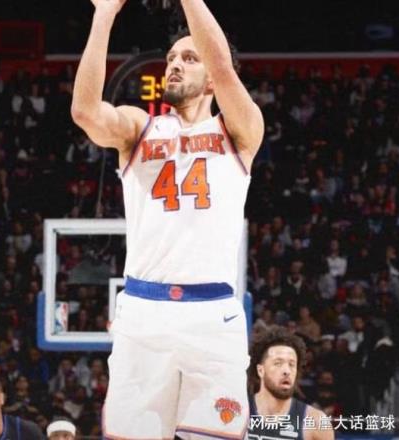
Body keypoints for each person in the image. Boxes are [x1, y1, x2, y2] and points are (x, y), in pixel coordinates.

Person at [72, 0, 264, 438]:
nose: (174, 64)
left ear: (211, 78)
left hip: (212, 314)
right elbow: (85, 112)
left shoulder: (239, 129)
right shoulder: (140, 128)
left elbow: (223, 65)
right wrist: (104, 14)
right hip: (143, 311)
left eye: (189, 58)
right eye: (172, 58)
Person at [248, 327, 334, 440]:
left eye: (291, 364)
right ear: (260, 370)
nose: (287, 371)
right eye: (278, 363)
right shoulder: (238, 412)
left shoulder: (316, 421)